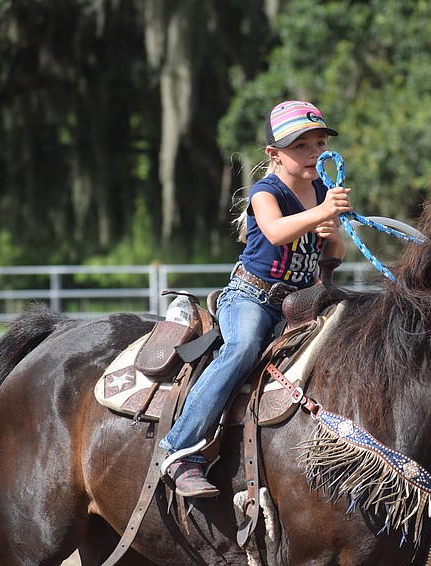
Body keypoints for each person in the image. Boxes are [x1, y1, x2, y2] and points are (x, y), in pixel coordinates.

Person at [159, 100, 352, 497]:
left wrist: (333, 228)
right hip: (251, 297)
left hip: (300, 299)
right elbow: (277, 231)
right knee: (243, 348)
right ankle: (180, 450)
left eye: (318, 143)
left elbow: (336, 253)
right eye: (300, 146)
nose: (312, 153)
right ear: (274, 154)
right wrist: (320, 215)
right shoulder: (266, 192)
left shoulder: (322, 190)